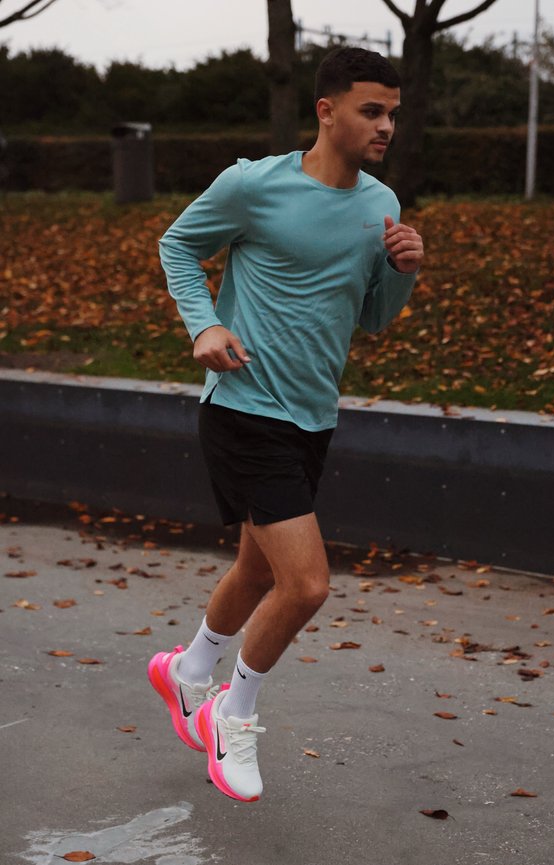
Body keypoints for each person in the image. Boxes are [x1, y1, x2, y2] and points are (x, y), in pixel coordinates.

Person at [148, 46, 424, 803]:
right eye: (371, 111)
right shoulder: (254, 185)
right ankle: (229, 714)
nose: (385, 126)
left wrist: (403, 271)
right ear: (326, 111)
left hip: (311, 416)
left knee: (259, 571)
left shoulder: (381, 203)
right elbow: (177, 245)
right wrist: (204, 324)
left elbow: (373, 317)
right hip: (245, 407)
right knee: (305, 585)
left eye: (393, 114)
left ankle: (188, 669)